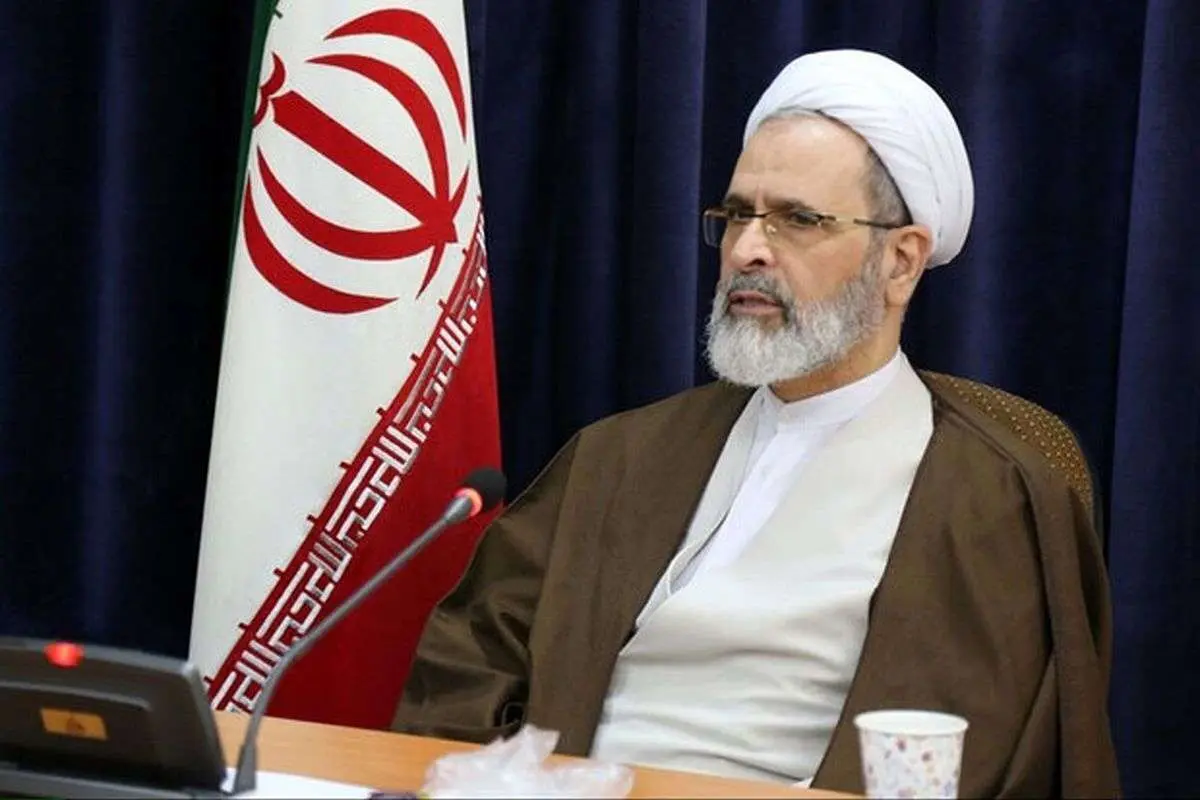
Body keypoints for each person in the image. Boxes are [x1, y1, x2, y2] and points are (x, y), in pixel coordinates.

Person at [391, 49, 1121, 797]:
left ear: (901, 261)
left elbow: (991, 756)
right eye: (738, 214)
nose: (746, 251)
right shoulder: (618, 456)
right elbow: (469, 667)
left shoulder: (993, 491)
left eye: (798, 220)